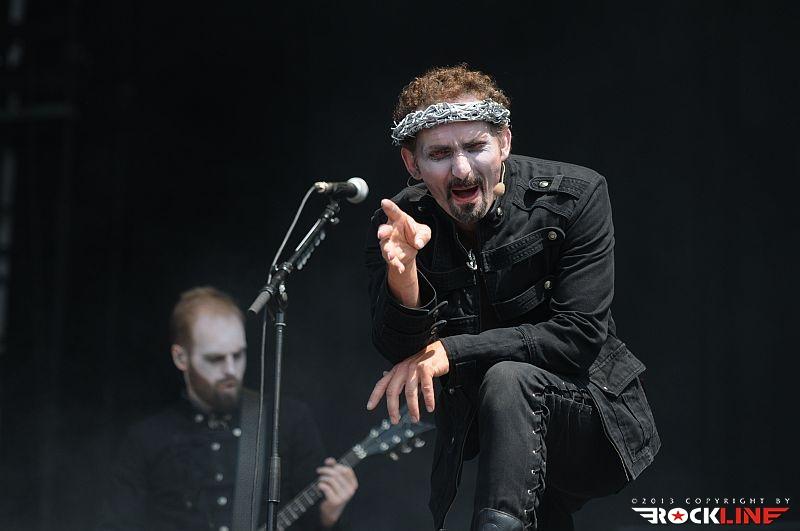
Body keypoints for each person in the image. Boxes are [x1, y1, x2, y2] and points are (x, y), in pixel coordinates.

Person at [365, 65, 660, 531]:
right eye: (439, 153)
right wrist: (404, 277)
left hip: (590, 416)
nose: (461, 169)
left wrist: (453, 350)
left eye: (475, 147)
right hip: (486, 445)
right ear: (412, 164)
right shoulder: (402, 219)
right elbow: (402, 353)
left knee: (508, 379)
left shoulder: (576, 196)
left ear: (503, 142)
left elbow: (578, 337)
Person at [99, 286, 357, 531]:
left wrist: (329, 516)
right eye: (216, 359)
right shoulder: (146, 441)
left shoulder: (287, 421)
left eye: (238, 355)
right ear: (181, 358)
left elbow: (315, 523)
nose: (231, 370)